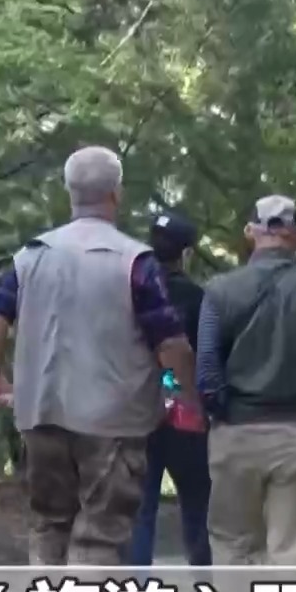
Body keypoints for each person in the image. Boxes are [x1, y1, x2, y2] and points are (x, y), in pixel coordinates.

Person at [0, 146, 201, 565]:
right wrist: (180, 397)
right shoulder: (134, 262)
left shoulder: (29, 257)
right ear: (116, 193)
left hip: (41, 415)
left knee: (49, 525)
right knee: (100, 534)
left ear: (69, 192)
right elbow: (170, 346)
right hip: (112, 423)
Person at [197, 195, 296, 566]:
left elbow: (207, 364)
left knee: (233, 544)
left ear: (251, 231)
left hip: (235, 431)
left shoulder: (219, 291)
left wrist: (220, 410)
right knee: (292, 551)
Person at [126, 212, 213, 566]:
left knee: (140, 510)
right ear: (186, 254)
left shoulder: (130, 295)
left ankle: (137, 590)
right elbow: (207, 357)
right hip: (186, 415)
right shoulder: (199, 298)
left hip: (138, 411)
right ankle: (205, 588)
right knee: (198, 507)